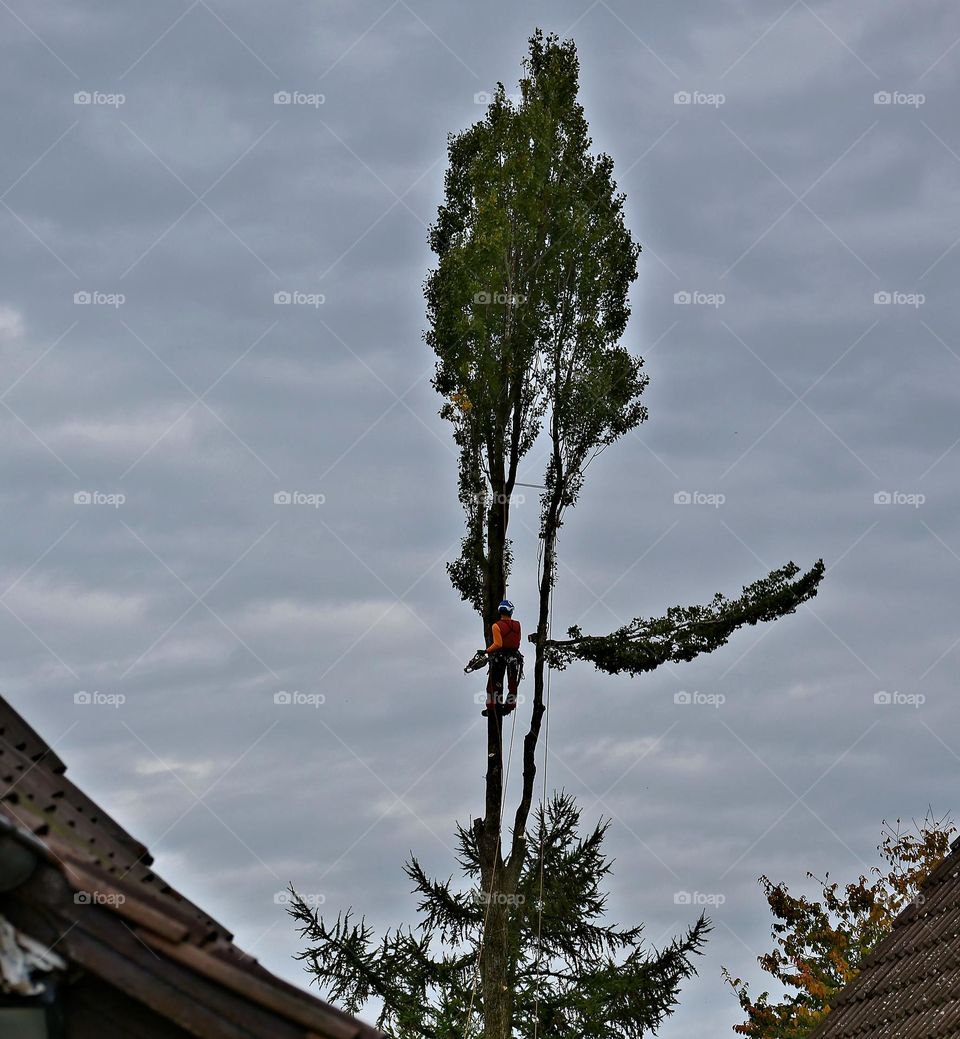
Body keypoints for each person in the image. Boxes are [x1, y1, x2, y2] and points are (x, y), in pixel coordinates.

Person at [482, 599, 522, 717]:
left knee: (493, 685)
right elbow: (518, 641)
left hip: (500, 658)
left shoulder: (496, 626)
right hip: (514, 658)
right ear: (511, 611)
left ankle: (491, 709)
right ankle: (509, 707)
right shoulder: (517, 625)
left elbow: (498, 644)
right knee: (513, 685)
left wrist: (486, 650)